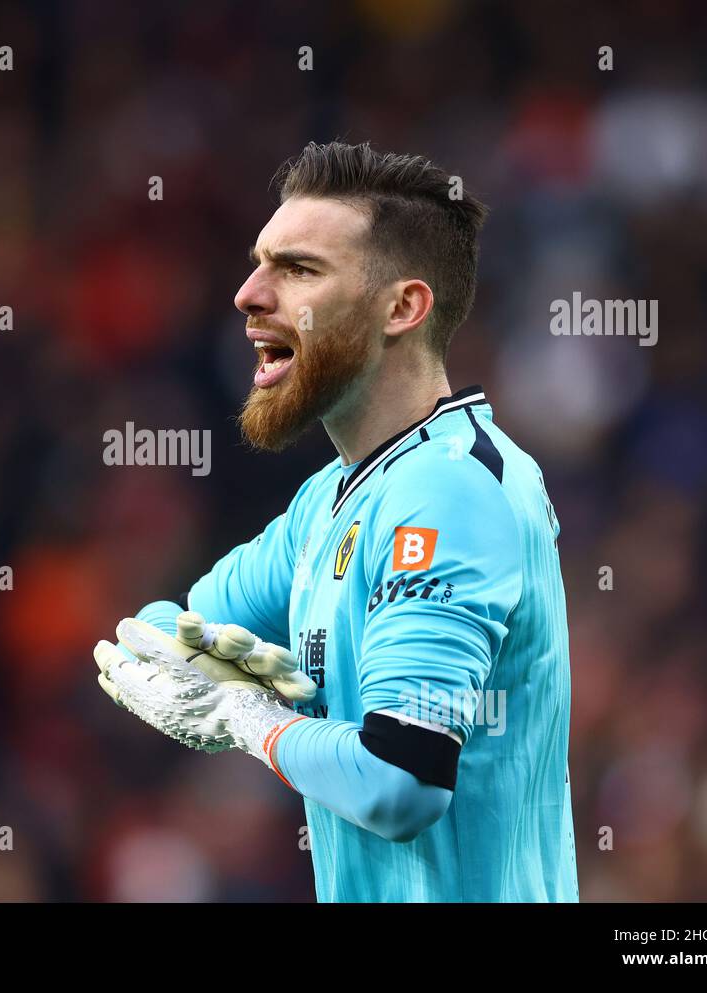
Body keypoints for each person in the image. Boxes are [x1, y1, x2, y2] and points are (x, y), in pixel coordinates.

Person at [95, 141, 578, 902]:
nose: (249, 293)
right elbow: (157, 637)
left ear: (402, 307)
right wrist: (214, 674)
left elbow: (400, 782)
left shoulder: (451, 491)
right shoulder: (329, 502)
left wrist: (245, 716)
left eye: (298, 268)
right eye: (260, 262)